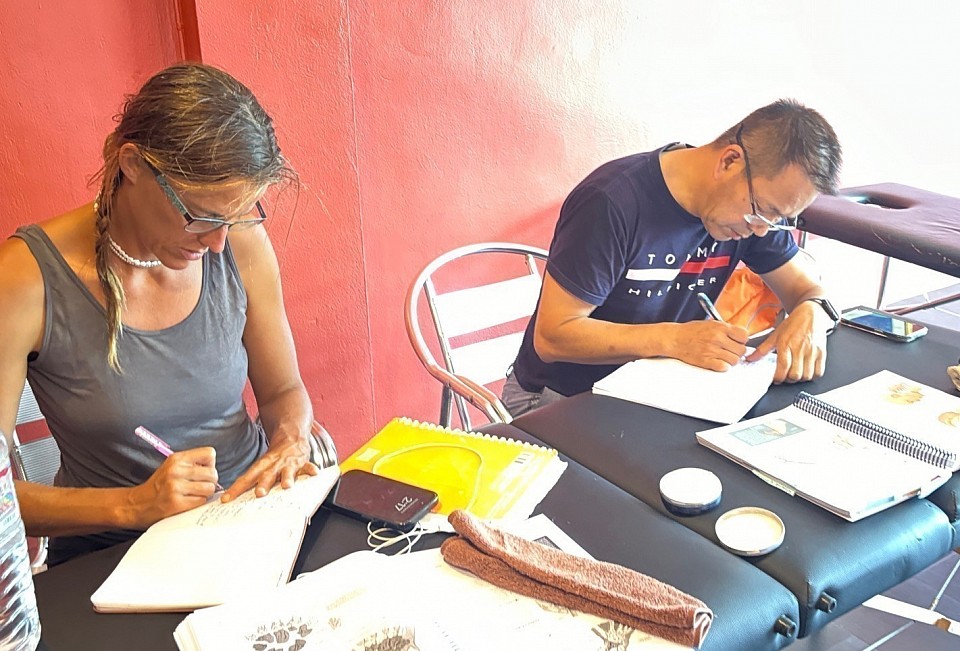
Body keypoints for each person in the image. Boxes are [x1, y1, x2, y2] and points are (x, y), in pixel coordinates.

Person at [0, 63, 320, 564]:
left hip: (252, 525)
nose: (218, 243)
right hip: (113, 557)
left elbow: (283, 391)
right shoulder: (24, 279)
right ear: (132, 164)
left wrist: (291, 441)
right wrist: (134, 505)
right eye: (200, 216)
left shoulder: (238, 241)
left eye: (235, 217)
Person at [503, 99, 843, 417]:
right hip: (561, 399)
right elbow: (552, 337)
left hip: (657, 391)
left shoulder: (751, 215)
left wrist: (811, 311)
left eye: (778, 219)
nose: (762, 230)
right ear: (729, 161)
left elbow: (808, 291)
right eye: (763, 211)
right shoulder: (612, 202)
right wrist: (676, 340)